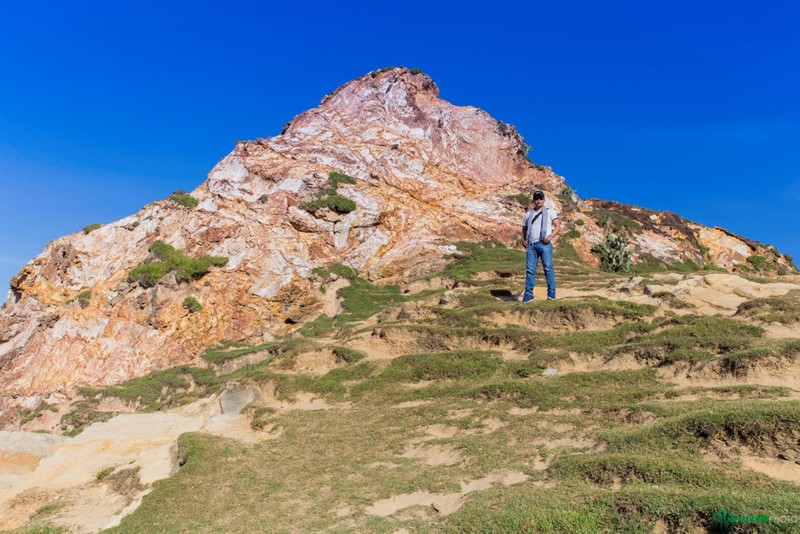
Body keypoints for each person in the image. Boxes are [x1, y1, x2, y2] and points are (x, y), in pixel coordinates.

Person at [521, 190, 561, 301]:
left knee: (548, 268)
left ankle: (551, 292)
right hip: (531, 245)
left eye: (540, 198)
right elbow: (524, 228)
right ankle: (528, 294)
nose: (538, 201)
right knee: (530, 269)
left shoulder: (550, 212)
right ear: (533, 200)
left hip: (544, 243)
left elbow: (557, 226)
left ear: (544, 200)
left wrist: (550, 236)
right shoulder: (528, 214)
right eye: (536, 199)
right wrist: (523, 239)